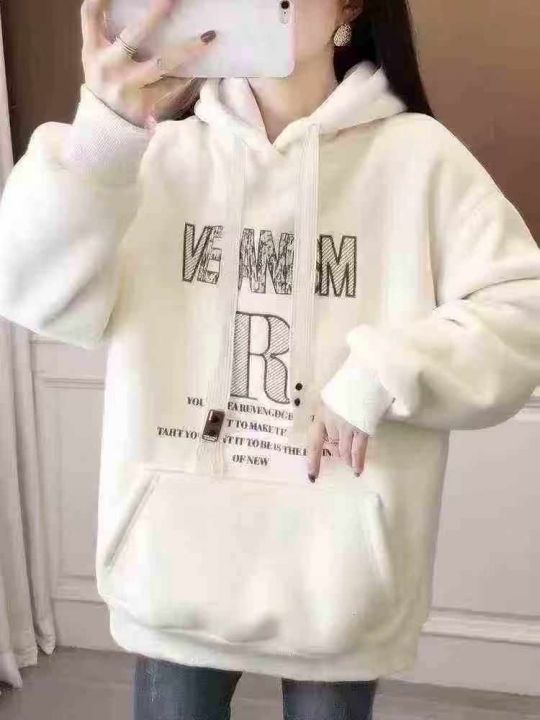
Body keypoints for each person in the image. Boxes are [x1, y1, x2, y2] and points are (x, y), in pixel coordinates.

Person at [1, 0, 540, 718]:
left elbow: (523, 308)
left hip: (337, 579)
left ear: (351, 6)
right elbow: (32, 292)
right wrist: (104, 132)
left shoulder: (418, 159)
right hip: (177, 566)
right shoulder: (155, 152)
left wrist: (383, 372)